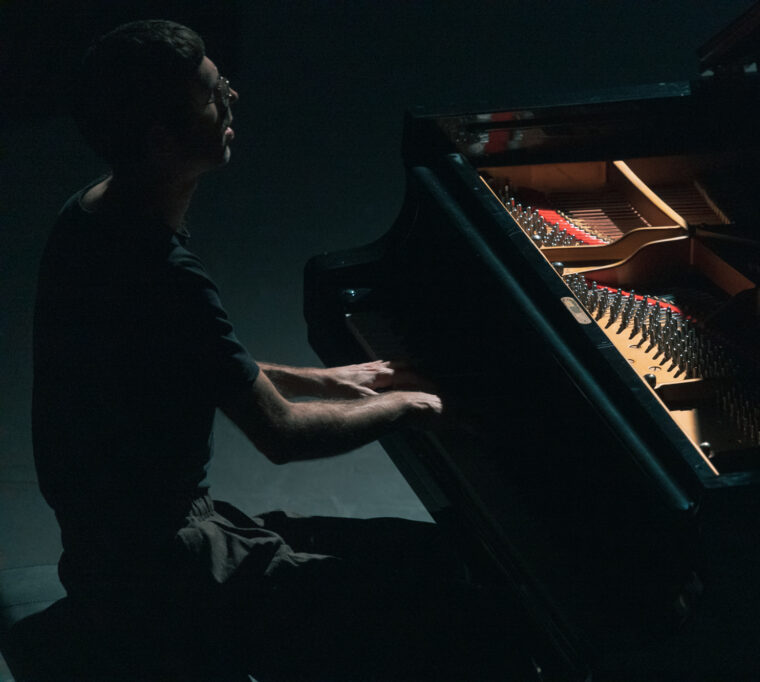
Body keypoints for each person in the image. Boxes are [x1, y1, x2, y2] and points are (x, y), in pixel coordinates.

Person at [32, 19, 530, 681]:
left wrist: (334, 383)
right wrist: (415, 405)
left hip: (116, 554)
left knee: (436, 554)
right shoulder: (163, 270)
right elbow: (283, 435)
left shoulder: (88, 216)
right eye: (212, 95)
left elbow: (196, 361)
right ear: (160, 138)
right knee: (463, 610)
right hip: (169, 577)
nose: (231, 97)